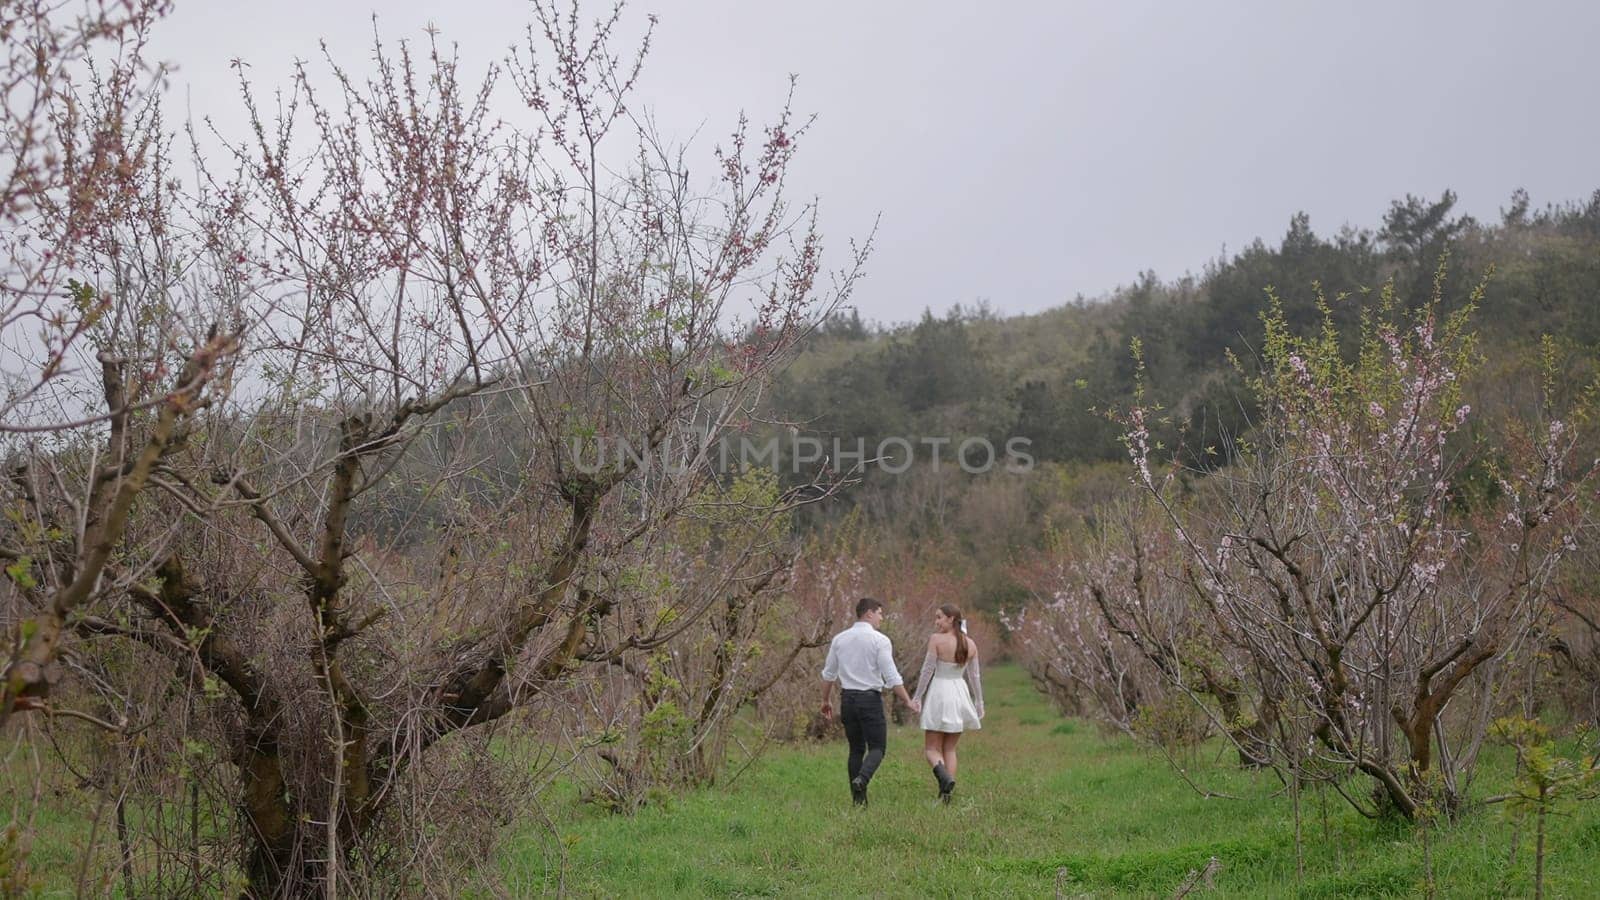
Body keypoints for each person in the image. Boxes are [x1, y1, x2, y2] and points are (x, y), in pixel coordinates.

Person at [821, 597, 920, 806]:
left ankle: (859, 802)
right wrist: (908, 701)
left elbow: (829, 674)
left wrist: (825, 700)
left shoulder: (839, 639)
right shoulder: (880, 640)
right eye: (880, 613)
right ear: (869, 613)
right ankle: (862, 779)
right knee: (877, 748)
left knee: (856, 749)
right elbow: (892, 677)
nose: (881, 618)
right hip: (869, 700)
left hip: (847, 700)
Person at [910, 603, 984, 803]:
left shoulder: (936, 640)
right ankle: (946, 795)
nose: (936, 622)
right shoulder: (971, 644)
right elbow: (974, 676)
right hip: (959, 693)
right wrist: (979, 701)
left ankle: (944, 778)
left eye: (939, 617)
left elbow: (927, 671)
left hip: (940, 693)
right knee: (950, 749)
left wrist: (917, 696)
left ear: (951, 619)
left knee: (931, 749)